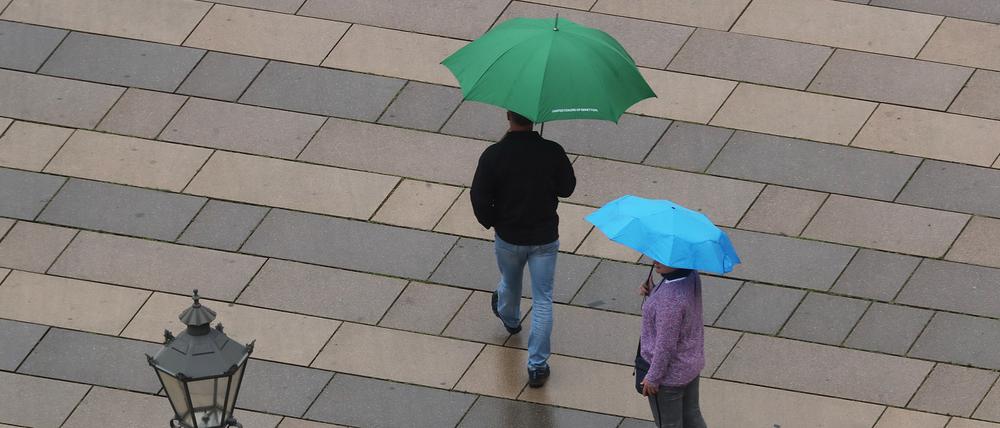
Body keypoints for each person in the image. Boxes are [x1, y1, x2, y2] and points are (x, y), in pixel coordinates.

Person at [470, 110, 576, 388]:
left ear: (508, 116)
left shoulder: (494, 154)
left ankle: (510, 318)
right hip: (544, 239)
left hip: (508, 237)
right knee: (543, 299)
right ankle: (537, 367)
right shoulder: (552, 151)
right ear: (536, 117)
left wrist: (493, 221)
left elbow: (479, 197)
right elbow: (567, 188)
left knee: (510, 281)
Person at [637, 261, 707, 428]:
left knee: (669, 424)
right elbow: (678, 316)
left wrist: (653, 378)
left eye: (664, 259)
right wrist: (654, 292)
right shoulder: (691, 276)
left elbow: (665, 345)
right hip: (689, 365)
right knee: (692, 416)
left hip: (668, 377)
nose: (655, 262)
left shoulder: (670, 299)